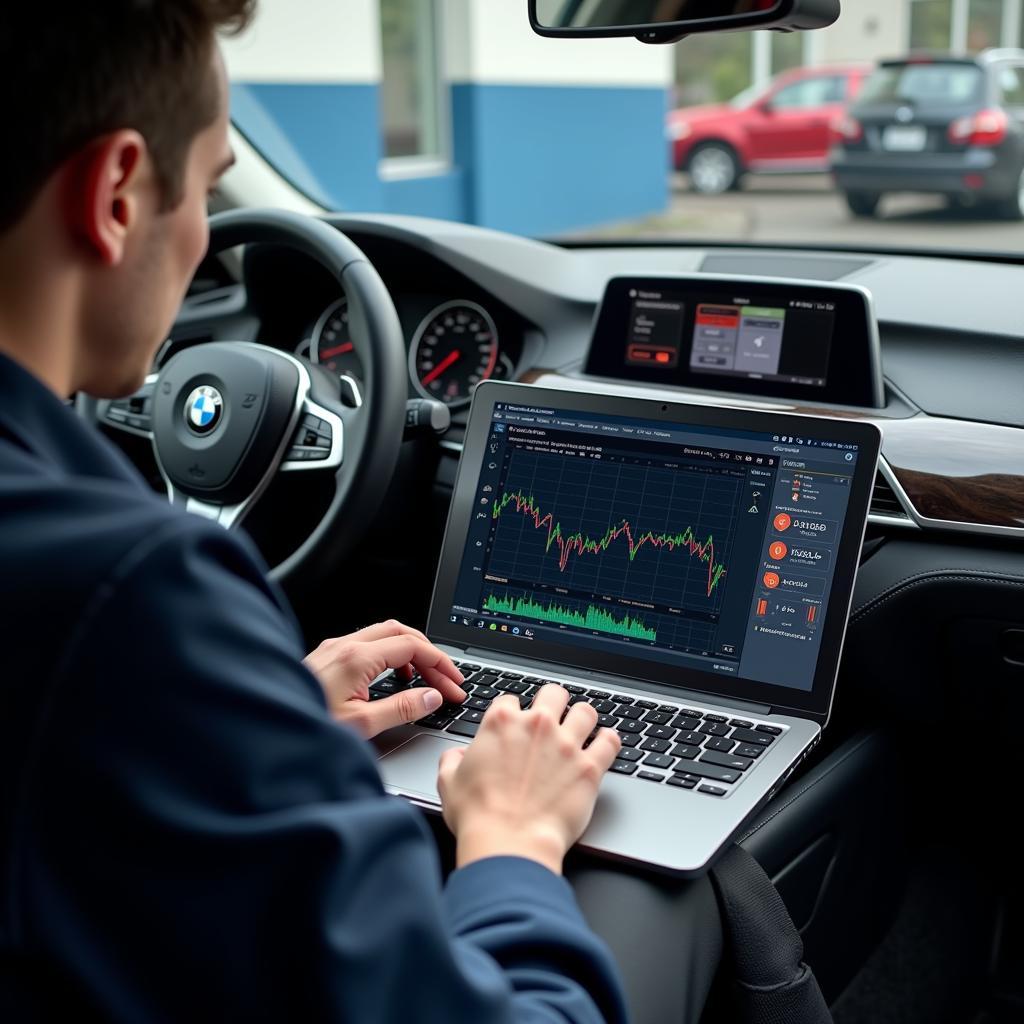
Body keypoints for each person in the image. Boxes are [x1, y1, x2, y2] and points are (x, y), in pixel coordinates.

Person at [0, 3, 629, 1020]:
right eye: (207, 187)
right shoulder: (130, 597)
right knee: (669, 904)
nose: (204, 230)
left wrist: (245, 722)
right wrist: (513, 842)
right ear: (117, 193)